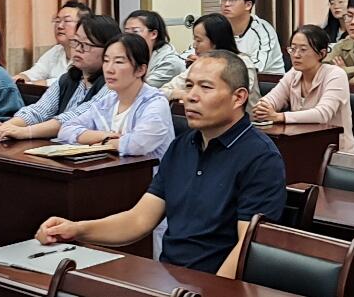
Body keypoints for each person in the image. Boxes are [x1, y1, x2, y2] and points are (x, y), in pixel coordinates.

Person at [34, 51, 284, 277]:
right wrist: (75, 230)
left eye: (206, 87)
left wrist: (213, 290)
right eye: (189, 86)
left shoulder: (260, 157)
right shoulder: (182, 146)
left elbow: (247, 247)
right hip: (169, 278)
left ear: (238, 97)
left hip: (216, 285)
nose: (191, 97)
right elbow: (138, 220)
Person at [0, 15, 119, 141]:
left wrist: (25, 132)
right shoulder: (67, 79)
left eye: (86, 45)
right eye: (75, 41)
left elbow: (74, 118)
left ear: (108, 50)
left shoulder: (112, 85)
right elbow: (38, 111)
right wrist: (6, 126)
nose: (77, 49)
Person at [55, 34, 175, 157]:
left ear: (140, 70)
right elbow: (66, 130)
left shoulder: (155, 103)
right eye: (106, 61)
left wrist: (103, 144)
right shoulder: (108, 102)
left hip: (146, 169)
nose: (109, 69)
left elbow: (137, 145)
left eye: (118, 62)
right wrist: (105, 136)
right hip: (107, 167)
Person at [254, 25, 354, 152]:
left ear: (322, 53)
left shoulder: (336, 75)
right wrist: (263, 107)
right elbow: (272, 98)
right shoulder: (294, 73)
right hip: (301, 146)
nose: (296, 55)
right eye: (293, 49)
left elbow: (322, 114)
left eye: (303, 50)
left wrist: (280, 117)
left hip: (335, 152)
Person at [162, 14, 260, 104]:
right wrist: (181, 94)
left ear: (215, 42)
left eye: (199, 40)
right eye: (194, 40)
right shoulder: (201, 64)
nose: (194, 45)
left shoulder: (242, 65)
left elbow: (229, 101)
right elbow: (163, 91)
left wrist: (191, 94)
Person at [216, 0, 285, 75]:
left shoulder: (263, 32)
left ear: (248, 5)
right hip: (229, 78)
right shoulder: (218, 26)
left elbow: (256, 67)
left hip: (266, 81)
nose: (226, 4)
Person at [17, 0, 89, 84]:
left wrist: (37, 84)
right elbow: (36, 72)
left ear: (83, 25)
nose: (60, 26)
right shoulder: (57, 50)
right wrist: (18, 79)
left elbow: (68, 83)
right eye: (57, 21)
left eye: (67, 21)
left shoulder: (88, 54)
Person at [125, 10, 186, 88]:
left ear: (153, 34)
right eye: (126, 32)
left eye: (135, 31)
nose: (128, 37)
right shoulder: (132, 55)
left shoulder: (170, 63)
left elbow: (139, 90)